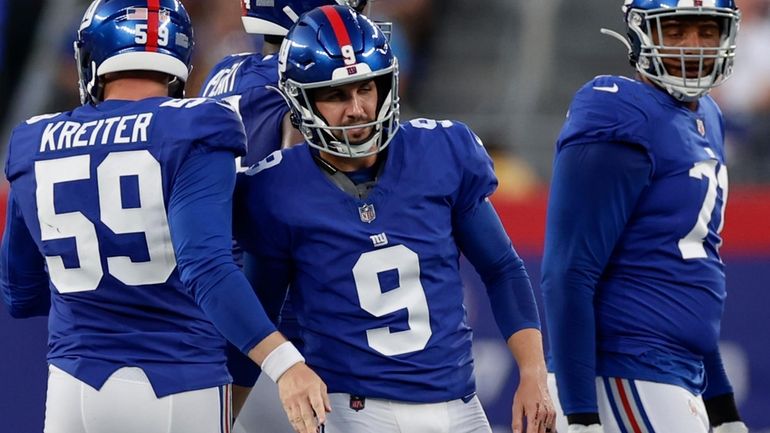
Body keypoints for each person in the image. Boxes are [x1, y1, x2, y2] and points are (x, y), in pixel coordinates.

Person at [0, 1, 327, 433]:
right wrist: (286, 363)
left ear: (93, 57)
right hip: (178, 379)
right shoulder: (198, 124)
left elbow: (20, 292)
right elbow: (206, 267)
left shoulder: (32, 138)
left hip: (72, 386)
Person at [234, 5, 555, 433]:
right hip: (351, 409)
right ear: (299, 101)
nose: (357, 109)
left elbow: (502, 268)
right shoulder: (276, 187)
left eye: (365, 87)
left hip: (460, 405)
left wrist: (533, 373)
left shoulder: (441, 151)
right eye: (335, 95)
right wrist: (228, 413)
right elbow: (260, 311)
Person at [541, 1, 748, 433]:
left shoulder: (708, 115)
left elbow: (689, 273)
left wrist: (723, 406)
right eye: (675, 31)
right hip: (623, 371)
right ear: (641, 34)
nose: (694, 46)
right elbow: (568, 271)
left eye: (707, 31)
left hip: (677, 373)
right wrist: (580, 415)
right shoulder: (619, 112)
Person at [199, 2, 371, 430]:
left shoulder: (229, 68)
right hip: (291, 331)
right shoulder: (289, 88)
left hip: (225, 316)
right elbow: (298, 205)